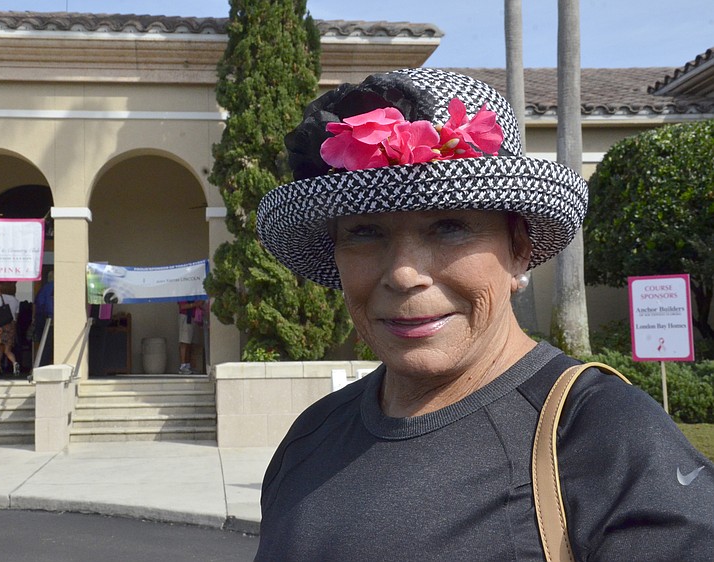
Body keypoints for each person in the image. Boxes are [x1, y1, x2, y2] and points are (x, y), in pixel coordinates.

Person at [253, 68, 714, 560]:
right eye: (366, 232)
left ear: (518, 248)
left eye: (449, 227)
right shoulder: (310, 438)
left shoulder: (601, 436)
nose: (404, 274)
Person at [0, 281, 20, 379]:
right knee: (7, 350)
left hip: (0, 326)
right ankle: (14, 363)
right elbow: (16, 316)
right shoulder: (16, 301)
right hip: (10, 326)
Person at [33, 270, 54, 367]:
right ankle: (44, 365)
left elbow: (38, 304)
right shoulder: (55, 287)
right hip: (50, 318)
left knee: (42, 342)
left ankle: (39, 365)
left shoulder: (43, 289)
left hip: (41, 317)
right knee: (49, 344)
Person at [177, 299, 204, 374]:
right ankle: (183, 366)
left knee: (190, 342)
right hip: (186, 317)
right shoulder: (183, 293)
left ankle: (188, 366)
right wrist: (196, 304)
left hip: (193, 317)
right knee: (184, 341)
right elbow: (182, 306)